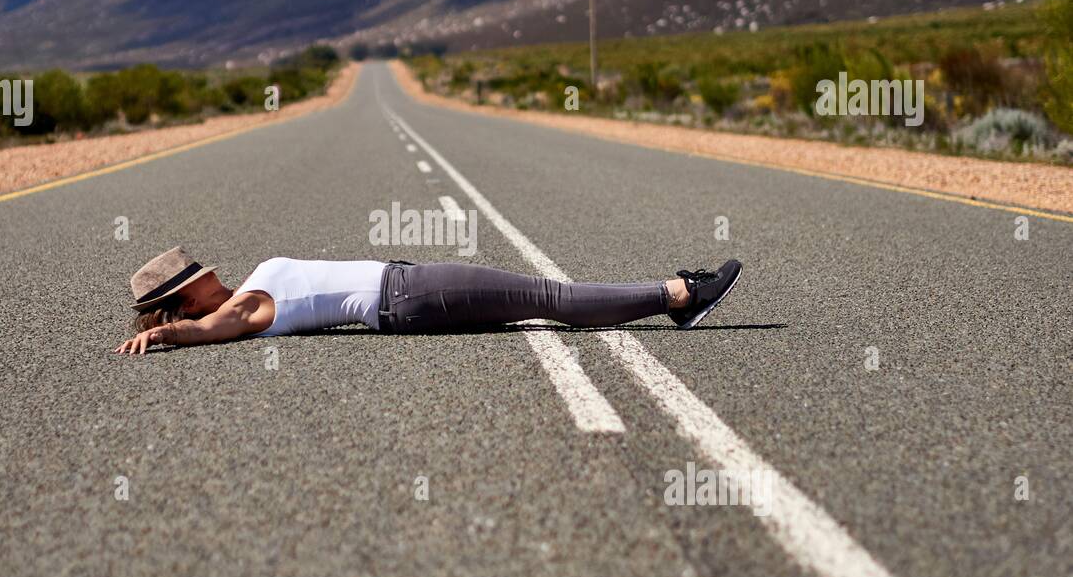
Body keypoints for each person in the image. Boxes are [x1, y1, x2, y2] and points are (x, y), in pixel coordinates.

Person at [114, 247, 742, 355]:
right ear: (185, 303)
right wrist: (167, 335)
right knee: (549, 296)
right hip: (405, 296)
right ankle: (678, 294)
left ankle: (672, 294)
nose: (205, 274)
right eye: (189, 281)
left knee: (544, 297)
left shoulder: (247, 292)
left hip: (407, 288)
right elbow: (213, 330)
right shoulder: (239, 313)